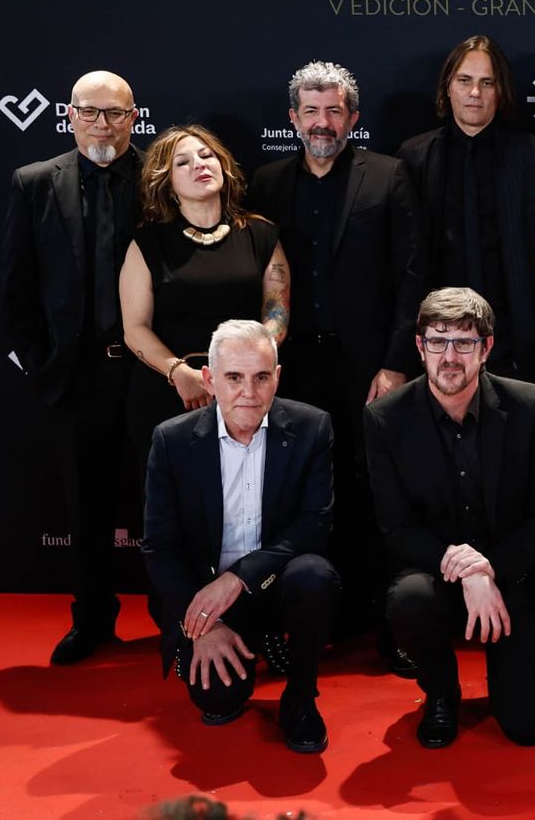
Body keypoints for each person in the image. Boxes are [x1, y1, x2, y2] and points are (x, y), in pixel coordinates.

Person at [248, 60, 425, 671]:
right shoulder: (266, 183)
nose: (322, 122)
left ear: (353, 118)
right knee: (302, 493)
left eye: (333, 111)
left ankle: (391, 624)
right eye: (311, 111)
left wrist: (396, 363)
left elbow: (411, 275)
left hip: (369, 368)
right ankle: (314, 619)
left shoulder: (389, 175)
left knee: (377, 492)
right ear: (293, 118)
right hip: (293, 368)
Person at [364, 288, 535, 748]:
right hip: (436, 572)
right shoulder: (385, 419)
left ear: (486, 348)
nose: (449, 357)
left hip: (514, 572)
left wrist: (489, 568)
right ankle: (441, 691)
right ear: (420, 347)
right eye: (438, 341)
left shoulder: (530, 406)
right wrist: (466, 570)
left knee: (529, 728)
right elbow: (397, 526)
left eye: (464, 342)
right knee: (408, 598)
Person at [142, 320, 340, 753]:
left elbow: (314, 523)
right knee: (217, 700)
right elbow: (160, 547)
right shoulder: (172, 440)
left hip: (274, 584)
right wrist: (201, 627)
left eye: (261, 377)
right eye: (233, 377)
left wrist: (239, 578)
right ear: (209, 380)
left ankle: (301, 697)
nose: (248, 392)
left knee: (314, 575)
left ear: (277, 378)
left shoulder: (311, 427)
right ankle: (241, 643)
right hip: (206, 598)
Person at [2, 70, 143, 664]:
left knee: (169, 497)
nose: (102, 125)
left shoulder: (161, 178)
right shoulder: (35, 182)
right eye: (90, 112)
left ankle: (184, 619)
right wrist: (42, 365)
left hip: (150, 372)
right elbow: (17, 287)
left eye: (115, 113)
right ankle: (91, 619)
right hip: (77, 375)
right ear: (69, 116)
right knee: (86, 508)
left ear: (133, 117)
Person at [119, 125, 290, 454]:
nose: (198, 164)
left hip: (248, 393)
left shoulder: (261, 235)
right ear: (167, 184)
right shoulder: (148, 243)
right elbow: (135, 329)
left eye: (206, 155)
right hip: (172, 394)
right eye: (182, 162)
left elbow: (276, 314)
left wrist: (240, 376)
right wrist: (180, 373)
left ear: (222, 166)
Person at [399, 35, 535, 383]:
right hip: (438, 341)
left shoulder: (534, 156)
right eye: (464, 80)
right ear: (447, 87)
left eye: (487, 83)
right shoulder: (414, 158)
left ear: (501, 91)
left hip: (518, 341)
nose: (475, 93)